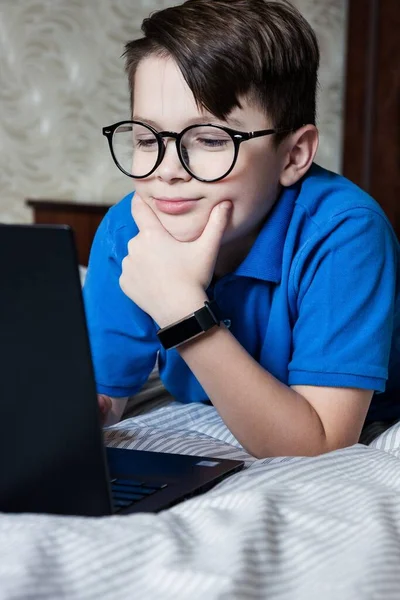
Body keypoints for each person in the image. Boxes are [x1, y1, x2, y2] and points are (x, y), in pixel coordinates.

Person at [84, 0, 400, 458]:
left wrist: (181, 310)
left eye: (211, 140)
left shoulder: (345, 232)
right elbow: (105, 397)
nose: (167, 169)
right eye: (147, 139)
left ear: (292, 156)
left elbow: (321, 444)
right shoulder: (128, 229)